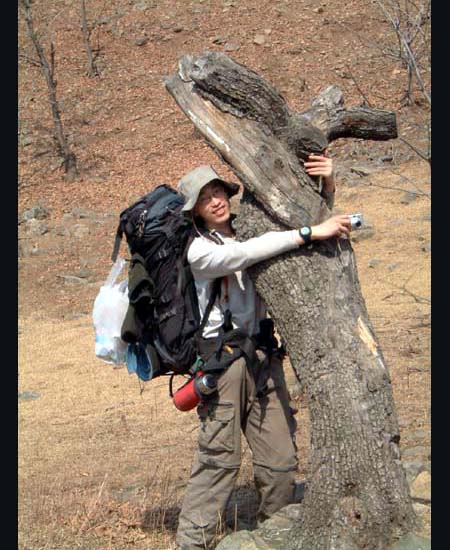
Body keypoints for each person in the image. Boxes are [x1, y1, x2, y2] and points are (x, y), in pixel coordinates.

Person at [175, 156, 351, 549]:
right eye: (205, 198)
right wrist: (308, 232)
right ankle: (192, 543)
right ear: (195, 211)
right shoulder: (198, 251)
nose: (216, 200)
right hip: (224, 365)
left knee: (281, 462)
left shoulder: (249, 230)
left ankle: (274, 533)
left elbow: (304, 234)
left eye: (218, 191)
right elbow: (251, 252)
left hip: (263, 358)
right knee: (219, 458)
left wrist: (328, 187)